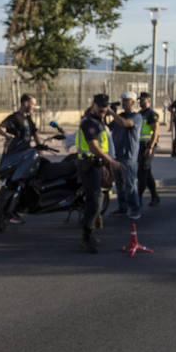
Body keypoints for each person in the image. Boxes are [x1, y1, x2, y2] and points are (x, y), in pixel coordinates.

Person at [74, 94, 121, 253]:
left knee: (95, 201)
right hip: (89, 165)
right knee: (94, 202)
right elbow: (93, 147)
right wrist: (111, 161)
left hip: (96, 165)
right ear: (93, 105)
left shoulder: (98, 121)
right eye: (100, 105)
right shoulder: (89, 123)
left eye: (105, 106)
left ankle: (89, 234)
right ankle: (86, 238)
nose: (103, 108)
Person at [110, 91, 143, 219]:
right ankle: (122, 207)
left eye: (127, 100)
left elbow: (125, 123)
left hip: (128, 156)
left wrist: (112, 113)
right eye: (122, 100)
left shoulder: (137, 117)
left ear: (133, 102)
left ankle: (135, 209)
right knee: (119, 184)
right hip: (117, 155)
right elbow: (108, 127)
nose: (124, 103)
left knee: (130, 184)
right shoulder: (120, 116)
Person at [136, 91, 161, 207]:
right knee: (147, 172)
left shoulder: (152, 114)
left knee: (142, 172)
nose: (140, 101)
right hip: (139, 145)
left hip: (148, 145)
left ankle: (138, 198)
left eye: (143, 99)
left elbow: (155, 131)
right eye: (140, 100)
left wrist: (151, 147)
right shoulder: (139, 114)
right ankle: (155, 196)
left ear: (148, 101)